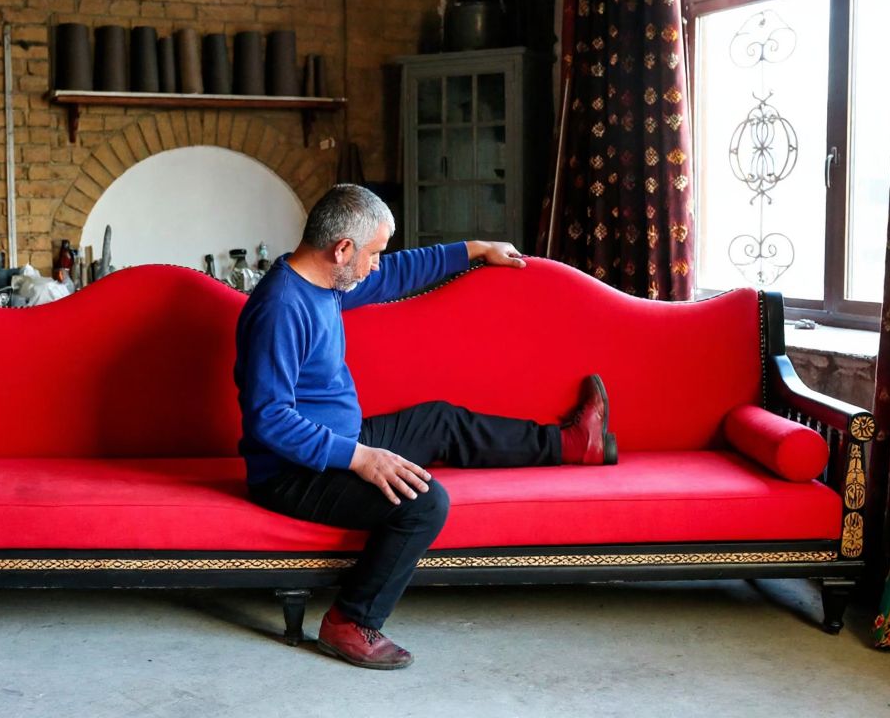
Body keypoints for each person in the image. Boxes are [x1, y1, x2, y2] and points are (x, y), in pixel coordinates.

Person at [234, 184, 615, 670]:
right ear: (343, 248)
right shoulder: (282, 308)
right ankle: (350, 620)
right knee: (424, 503)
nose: (377, 264)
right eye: (373, 253)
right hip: (292, 473)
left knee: (439, 420)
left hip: (342, 444)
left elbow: (396, 274)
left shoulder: (328, 280)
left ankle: (572, 444)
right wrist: (362, 458)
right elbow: (269, 419)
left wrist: (474, 249)